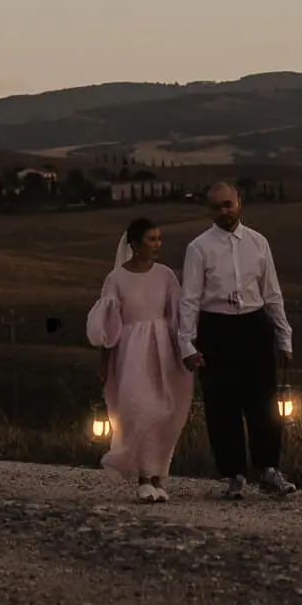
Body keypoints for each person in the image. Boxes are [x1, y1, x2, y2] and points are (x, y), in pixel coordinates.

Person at [178, 181, 295, 500]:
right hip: (216, 330)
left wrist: (284, 336)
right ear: (209, 210)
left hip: (254, 326)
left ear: (239, 203)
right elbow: (189, 299)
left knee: (264, 402)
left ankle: (269, 469)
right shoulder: (198, 248)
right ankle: (234, 475)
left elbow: (272, 293)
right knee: (221, 405)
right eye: (217, 206)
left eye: (228, 204)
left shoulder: (258, 243)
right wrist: (186, 344)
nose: (224, 211)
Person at [86, 215, 194, 503]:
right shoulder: (116, 279)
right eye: (151, 239)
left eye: (159, 239)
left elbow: (178, 317)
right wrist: (103, 362)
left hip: (162, 352)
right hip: (131, 354)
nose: (157, 244)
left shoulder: (166, 276)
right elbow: (109, 325)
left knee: (162, 412)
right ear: (134, 243)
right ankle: (144, 477)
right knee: (138, 410)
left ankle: (158, 476)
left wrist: (187, 350)